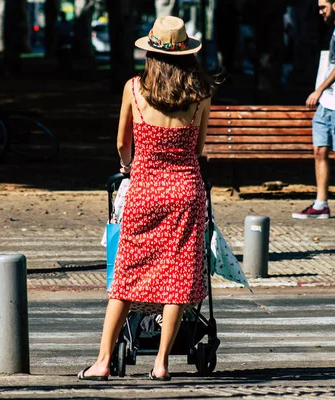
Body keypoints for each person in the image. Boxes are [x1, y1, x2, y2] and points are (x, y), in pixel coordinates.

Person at [77, 16, 215, 382]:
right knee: (178, 277)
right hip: (185, 191)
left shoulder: (134, 89)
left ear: (150, 54)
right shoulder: (200, 93)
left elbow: (123, 143)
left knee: (126, 275)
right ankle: (162, 363)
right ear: (186, 54)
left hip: (144, 189)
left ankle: (104, 360)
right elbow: (198, 147)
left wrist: (128, 165)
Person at [292, 0, 335, 219]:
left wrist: (319, 89)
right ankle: (321, 205)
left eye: (324, 7)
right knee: (320, 151)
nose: (320, 11)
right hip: (328, 102)